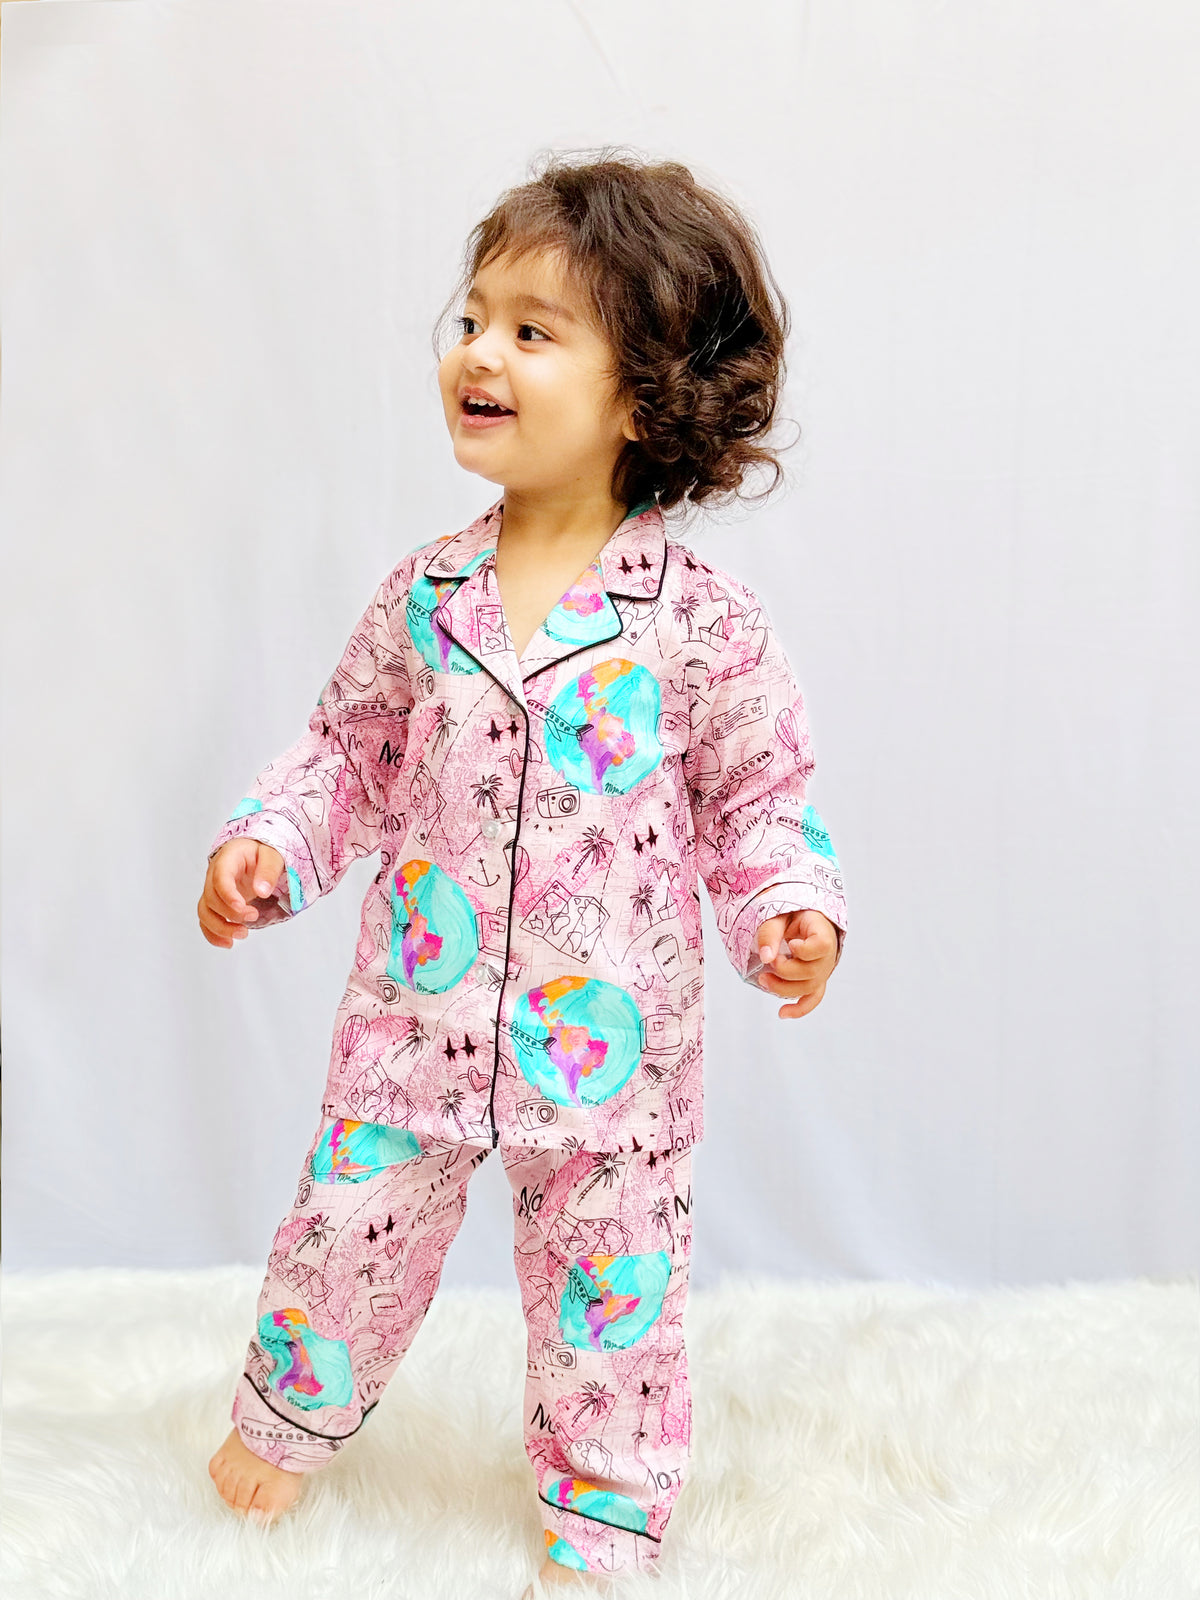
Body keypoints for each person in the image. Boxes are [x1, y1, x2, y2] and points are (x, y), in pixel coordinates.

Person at [199, 149, 848, 1596]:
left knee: (613, 1297)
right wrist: (272, 844)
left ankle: (604, 1513)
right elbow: (347, 751)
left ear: (646, 395)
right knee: (342, 1237)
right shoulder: (425, 596)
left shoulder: (703, 623)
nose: (479, 352)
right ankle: (285, 1420)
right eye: (474, 319)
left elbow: (759, 798)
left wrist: (788, 910)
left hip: (613, 1052)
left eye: (533, 331)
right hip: (414, 1022)